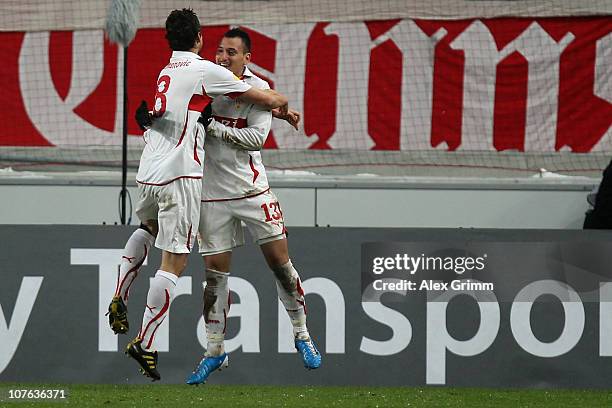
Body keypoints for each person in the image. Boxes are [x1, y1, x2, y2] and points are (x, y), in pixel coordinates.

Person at [107, 9, 289, 382]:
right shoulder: (205, 69)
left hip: (148, 171)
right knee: (173, 263)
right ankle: (146, 341)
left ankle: (120, 292)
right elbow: (263, 96)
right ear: (200, 38)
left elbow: (159, 113)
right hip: (180, 176)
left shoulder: (166, 71)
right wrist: (284, 107)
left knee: (146, 227)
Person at [185, 28, 321, 386]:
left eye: (231, 52)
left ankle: (303, 335)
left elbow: (255, 138)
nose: (223, 56)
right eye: (220, 50)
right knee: (214, 278)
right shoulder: (206, 80)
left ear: (247, 58)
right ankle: (214, 351)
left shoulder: (257, 88)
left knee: (280, 264)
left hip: (252, 191)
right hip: (211, 194)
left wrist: (213, 127)